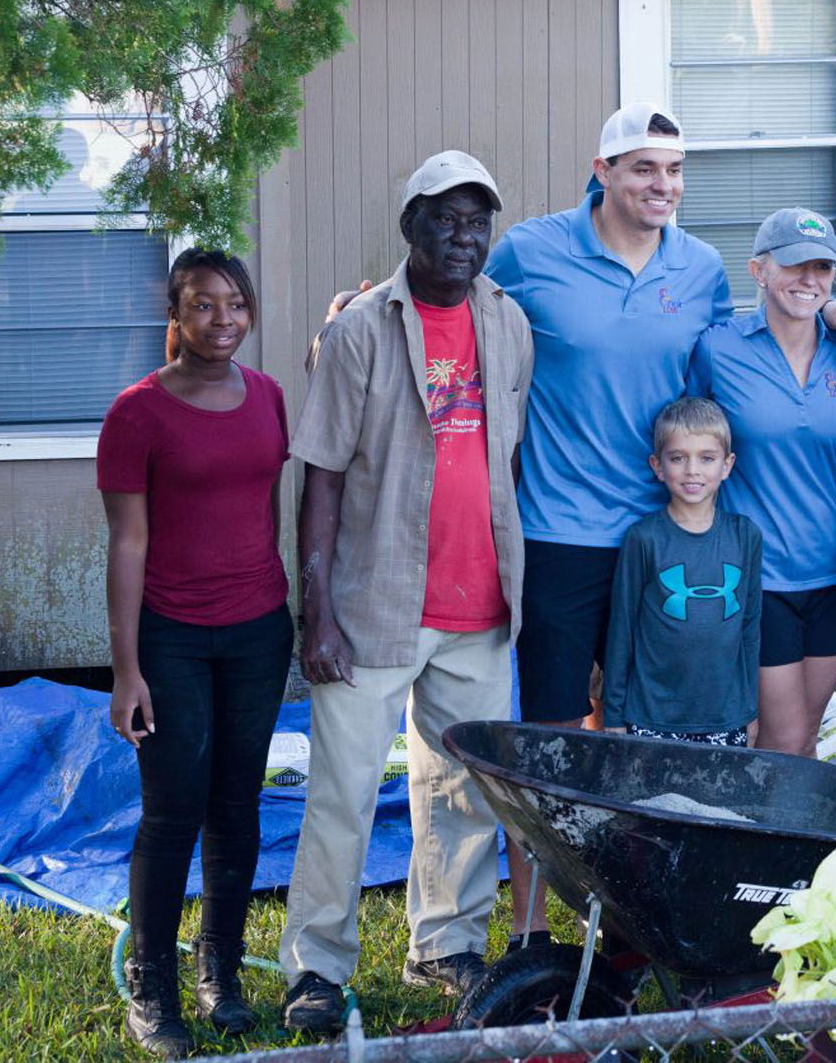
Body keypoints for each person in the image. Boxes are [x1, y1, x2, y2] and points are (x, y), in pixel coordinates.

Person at [478, 104, 836, 945]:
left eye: (675, 171)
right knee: (551, 746)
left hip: (667, 533)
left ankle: (637, 920)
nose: (664, 185)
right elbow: (458, 300)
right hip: (562, 533)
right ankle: (531, 935)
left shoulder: (696, 268)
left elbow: (752, 343)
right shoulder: (532, 250)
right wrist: (363, 304)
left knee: (647, 739)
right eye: (644, 168)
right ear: (603, 170)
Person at [278, 150, 534, 1034]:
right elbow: (318, 477)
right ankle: (315, 966)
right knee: (343, 795)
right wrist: (317, 612)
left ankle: (446, 941)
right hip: (373, 607)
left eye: (477, 222)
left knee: (461, 790)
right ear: (409, 227)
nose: (463, 238)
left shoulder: (508, 323)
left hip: (480, 605)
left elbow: (503, 457)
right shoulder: (358, 333)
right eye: (444, 219)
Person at [98, 248, 293, 1057]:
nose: (224, 321)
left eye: (236, 304)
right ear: (174, 315)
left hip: (258, 628)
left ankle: (221, 970)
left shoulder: (272, 398)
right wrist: (127, 669)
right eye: (204, 305)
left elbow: (268, 509)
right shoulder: (137, 413)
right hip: (171, 635)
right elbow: (126, 543)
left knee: (238, 805)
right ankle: (153, 984)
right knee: (174, 807)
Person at [689, 209, 836, 757]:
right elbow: (686, 446)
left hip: (835, 574)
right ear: (759, 272)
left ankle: (789, 843)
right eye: (793, 266)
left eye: (822, 269)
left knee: (800, 740)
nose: (809, 281)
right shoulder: (719, 347)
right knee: (782, 739)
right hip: (758, 577)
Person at [603, 397, 762, 744]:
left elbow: (750, 629)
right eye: (678, 458)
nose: (692, 470)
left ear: (727, 465)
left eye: (707, 458)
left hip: (726, 717)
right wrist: (613, 714)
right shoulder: (643, 539)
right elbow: (622, 629)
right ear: (658, 466)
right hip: (651, 716)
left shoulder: (745, 536)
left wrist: (750, 710)